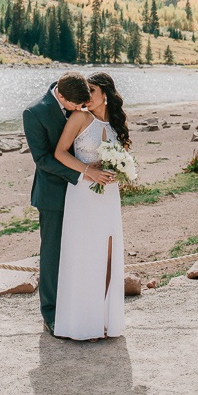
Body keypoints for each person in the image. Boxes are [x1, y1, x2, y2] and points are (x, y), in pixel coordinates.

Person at [23, 71, 114, 335]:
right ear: (61, 96)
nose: (82, 109)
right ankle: (50, 314)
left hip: (87, 195)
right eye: (76, 106)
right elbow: (43, 159)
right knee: (53, 255)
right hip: (54, 194)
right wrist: (83, 171)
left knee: (83, 252)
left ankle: (83, 307)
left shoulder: (77, 92)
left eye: (84, 103)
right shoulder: (34, 113)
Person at [53, 71, 131, 340]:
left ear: (105, 94)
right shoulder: (79, 118)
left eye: (92, 91)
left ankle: (104, 319)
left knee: (108, 256)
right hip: (83, 195)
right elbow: (60, 153)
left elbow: (123, 157)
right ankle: (84, 324)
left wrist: (121, 171)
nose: (86, 97)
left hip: (109, 196)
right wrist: (88, 171)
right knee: (85, 256)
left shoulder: (116, 123)